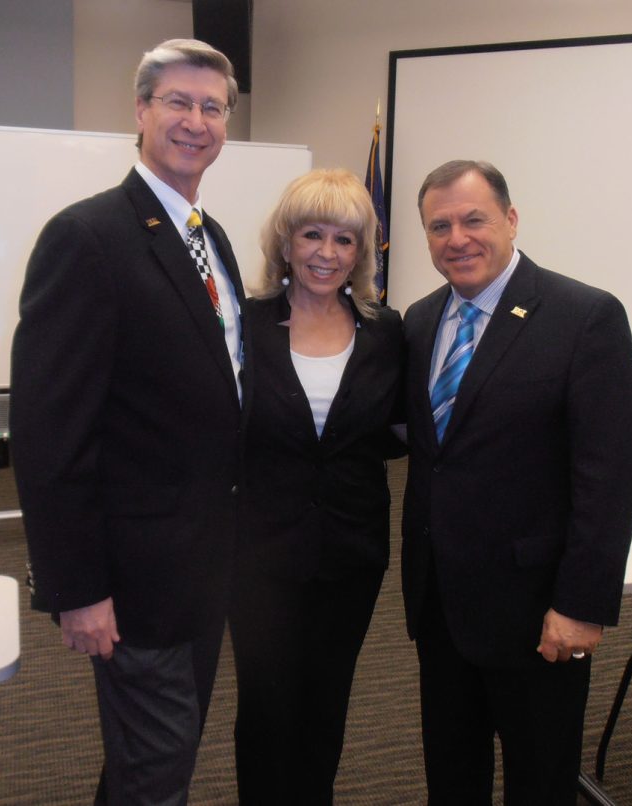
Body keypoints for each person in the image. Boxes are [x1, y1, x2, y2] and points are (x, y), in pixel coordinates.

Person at [9, 39, 248, 805]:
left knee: (154, 760)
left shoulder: (212, 239)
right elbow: (50, 436)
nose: (195, 121)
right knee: (157, 767)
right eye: (178, 102)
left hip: (205, 568)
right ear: (141, 111)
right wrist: (76, 587)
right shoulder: (86, 238)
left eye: (212, 107)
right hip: (136, 579)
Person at [401, 159, 632, 804]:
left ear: (510, 219)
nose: (457, 238)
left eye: (473, 219)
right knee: (452, 777)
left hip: (540, 614)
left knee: (539, 781)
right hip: (442, 605)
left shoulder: (584, 316)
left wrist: (581, 606)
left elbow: (609, 480)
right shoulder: (420, 322)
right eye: (439, 226)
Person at [229, 169, 404, 805]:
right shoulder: (242, 326)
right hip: (259, 551)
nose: (326, 254)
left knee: (328, 699)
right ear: (286, 239)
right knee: (267, 703)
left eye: (345, 240)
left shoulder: (386, 332)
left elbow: (397, 430)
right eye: (312, 235)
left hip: (352, 551)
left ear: (362, 252)